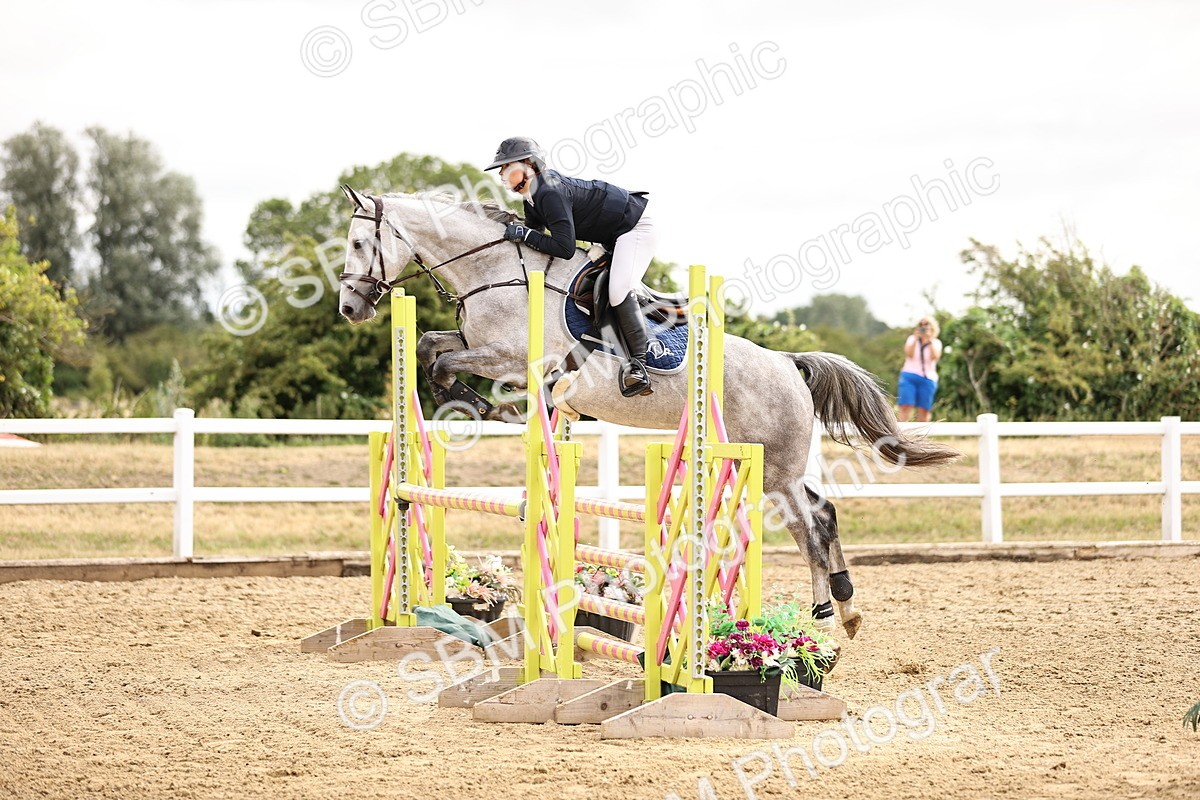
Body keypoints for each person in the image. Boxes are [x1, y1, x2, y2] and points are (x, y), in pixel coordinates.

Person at [484, 136, 657, 397]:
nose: (501, 173)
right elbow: (534, 232)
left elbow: (564, 248)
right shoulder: (532, 196)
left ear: (529, 165)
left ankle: (638, 366)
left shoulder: (549, 191)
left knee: (618, 289)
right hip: (612, 235)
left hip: (635, 228)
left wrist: (525, 234)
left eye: (507, 167)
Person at [897, 316, 943, 422]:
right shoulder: (912, 339)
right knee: (905, 405)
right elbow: (909, 354)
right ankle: (901, 435)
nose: (923, 328)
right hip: (909, 375)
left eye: (926, 325)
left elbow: (935, 357)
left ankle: (921, 436)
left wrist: (928, 340)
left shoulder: (936, 342)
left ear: (932, 328)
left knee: (924, 409)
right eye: (921, 325)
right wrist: (917, 339)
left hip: (928, 378)